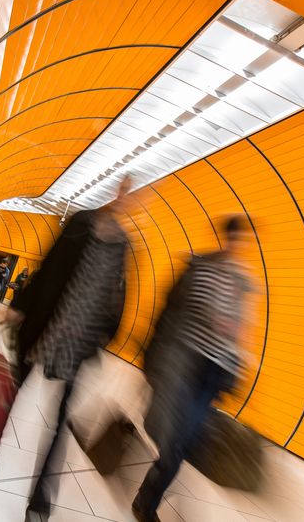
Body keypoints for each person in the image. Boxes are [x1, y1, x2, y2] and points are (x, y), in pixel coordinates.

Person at [3, 177, 132, 521]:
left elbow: (118, 294)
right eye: (125, 191)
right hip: (45, 327)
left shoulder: (125, 244)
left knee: (60, 422)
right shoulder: (80, 223)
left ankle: (41, 497)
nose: (129, 200)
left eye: (135, 196)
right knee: (15, 390)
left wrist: (107, 333)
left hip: (80, 342)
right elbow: (49, 269)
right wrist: (21, 305)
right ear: (113, 193)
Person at [132, 216, 252, 522]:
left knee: (184, 440)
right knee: (177, 439)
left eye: (244, 241)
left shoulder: (244, 280)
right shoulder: (201, 269)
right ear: (226, 238)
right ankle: (146, 502)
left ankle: (149, 496)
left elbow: (242, 326)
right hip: (187, 362)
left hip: (215, 371)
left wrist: (240, 358)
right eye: (235, 239)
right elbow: (182, 310)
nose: (238, 246)